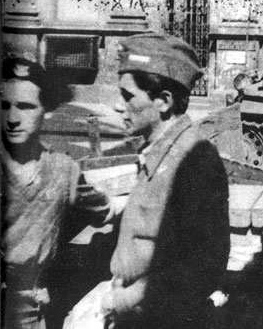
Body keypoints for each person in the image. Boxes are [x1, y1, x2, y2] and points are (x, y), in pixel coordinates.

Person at [99, 33, 230, 328]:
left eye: (128, 96)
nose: (118, 106)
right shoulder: (158, 150)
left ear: (163, 101)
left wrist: (122, 299)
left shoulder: (194, 160)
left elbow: (204, 263)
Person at [0, 57, 113, 329]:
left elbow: (105, 211)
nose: (13, 118)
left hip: (34, 316)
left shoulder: (63, 170)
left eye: (26, 107)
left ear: (47, 110)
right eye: (4, 106)